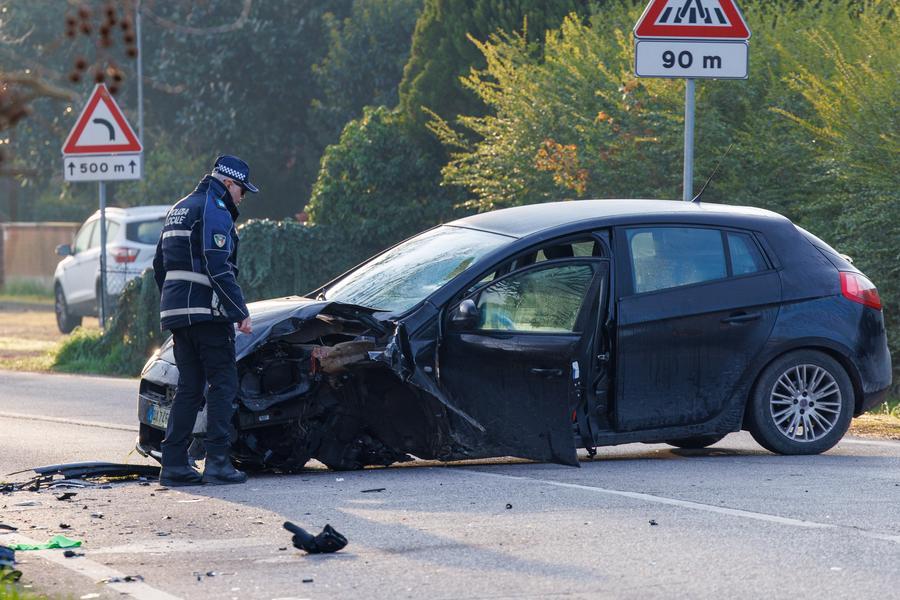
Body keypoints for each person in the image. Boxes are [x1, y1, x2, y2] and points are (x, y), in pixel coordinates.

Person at [152, 155, 258, 486]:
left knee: (190, 387)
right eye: (242, 190)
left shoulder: (179, 207)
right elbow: (216, 263)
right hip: (207, 314)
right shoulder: (215, 208)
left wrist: (174, 304)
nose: (242, 197)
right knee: (223, 383)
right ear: (228, 183)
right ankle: (218, 463)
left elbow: (159, 264)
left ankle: (173, 465)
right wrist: (239, 310)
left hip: (177, 314)